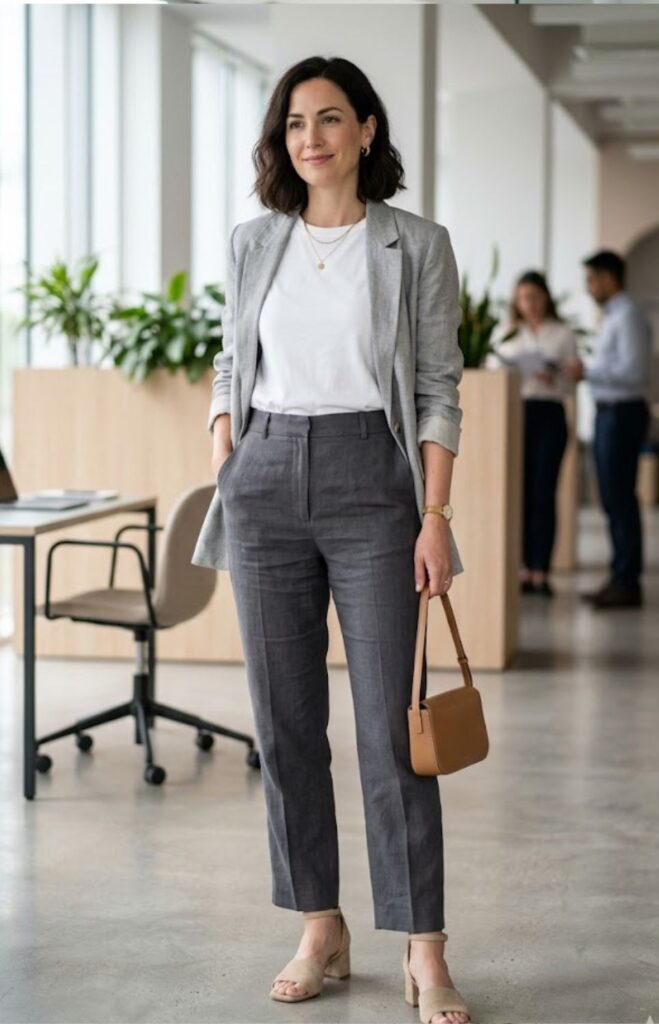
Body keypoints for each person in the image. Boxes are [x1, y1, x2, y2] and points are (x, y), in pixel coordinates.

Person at [191, 56, 471, 1024]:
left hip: (372, 480)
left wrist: (433, 516)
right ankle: (320, 923)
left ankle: (422, 946)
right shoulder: (252, 241)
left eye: (328, 118)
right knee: (285, 725)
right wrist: (228, 443)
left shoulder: (414, 244)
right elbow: (233, 358)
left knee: (394, 732)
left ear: (363, 130)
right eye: (293, 123)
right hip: (265, 478)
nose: (308, 137)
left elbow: (437, 387)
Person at [564, 250, 651, 609]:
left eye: (591, 279)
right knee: (614, 499)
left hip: (622, 413)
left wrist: (588, 372)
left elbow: (634, 372)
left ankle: (626, 581)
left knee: (620, 499)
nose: (588, 287)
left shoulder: (627, 316)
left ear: (608, 278)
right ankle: (620, 576)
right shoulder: (615, 315)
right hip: (611, 413)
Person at [488, 271, 577, 597]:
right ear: (516, 300)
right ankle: (523, 568)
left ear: (546, 297)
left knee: (544, 492)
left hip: (549, 412)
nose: (530, 304)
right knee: (521, 492)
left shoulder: (562, 334)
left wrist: (560, 375)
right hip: (517, 413)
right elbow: (492, 372)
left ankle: (541, 570)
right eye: (524, 297)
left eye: (536, 297)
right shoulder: (507, 332)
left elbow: (571, 384)